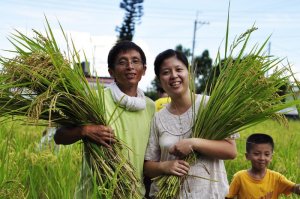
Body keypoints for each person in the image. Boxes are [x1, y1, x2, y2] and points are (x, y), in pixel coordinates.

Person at [54, 41, 155, 198]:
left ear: (144, 70)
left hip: (135, 194)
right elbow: (59, 136)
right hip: (94, 193)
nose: (130, 66)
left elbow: (150, 157)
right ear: (111, 72)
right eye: (122, 62)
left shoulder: (150, 106)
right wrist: (84, 131)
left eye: (135, 61)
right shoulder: (95, 100)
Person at [143, 49, 238, 198]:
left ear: (189, 73)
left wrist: (194, 143)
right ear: (160, 80)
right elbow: (148, 167)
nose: (174, 75)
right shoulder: (158, 118)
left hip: (209, 194)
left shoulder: (210, 105)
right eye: (166, 72)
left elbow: (230, 151)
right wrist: (165, 166)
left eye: (179, 69)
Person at [226, 133, 300, 199]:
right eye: (256, 154)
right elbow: (229, 197)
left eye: (267, 154)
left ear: (271, 157)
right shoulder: (240, 177)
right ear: (247, 156)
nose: (262, 158)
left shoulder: (277, 178)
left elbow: (295, 188)